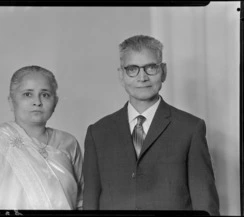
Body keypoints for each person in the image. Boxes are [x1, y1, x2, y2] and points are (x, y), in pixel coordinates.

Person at [82, 35, 220, 215]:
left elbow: (204, 202)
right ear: (121, 75)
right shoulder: (98, 132)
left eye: (151, 68)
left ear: (163, 71)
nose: (142, 77)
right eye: (132, 69)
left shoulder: (190, 128)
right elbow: (91, 200)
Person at [0, 65, 83, 210]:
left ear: (55, 102)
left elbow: (81, 201)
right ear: (11, 101)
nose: (37, 102)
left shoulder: (68, 143)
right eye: (28, 94)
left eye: (45, 94)